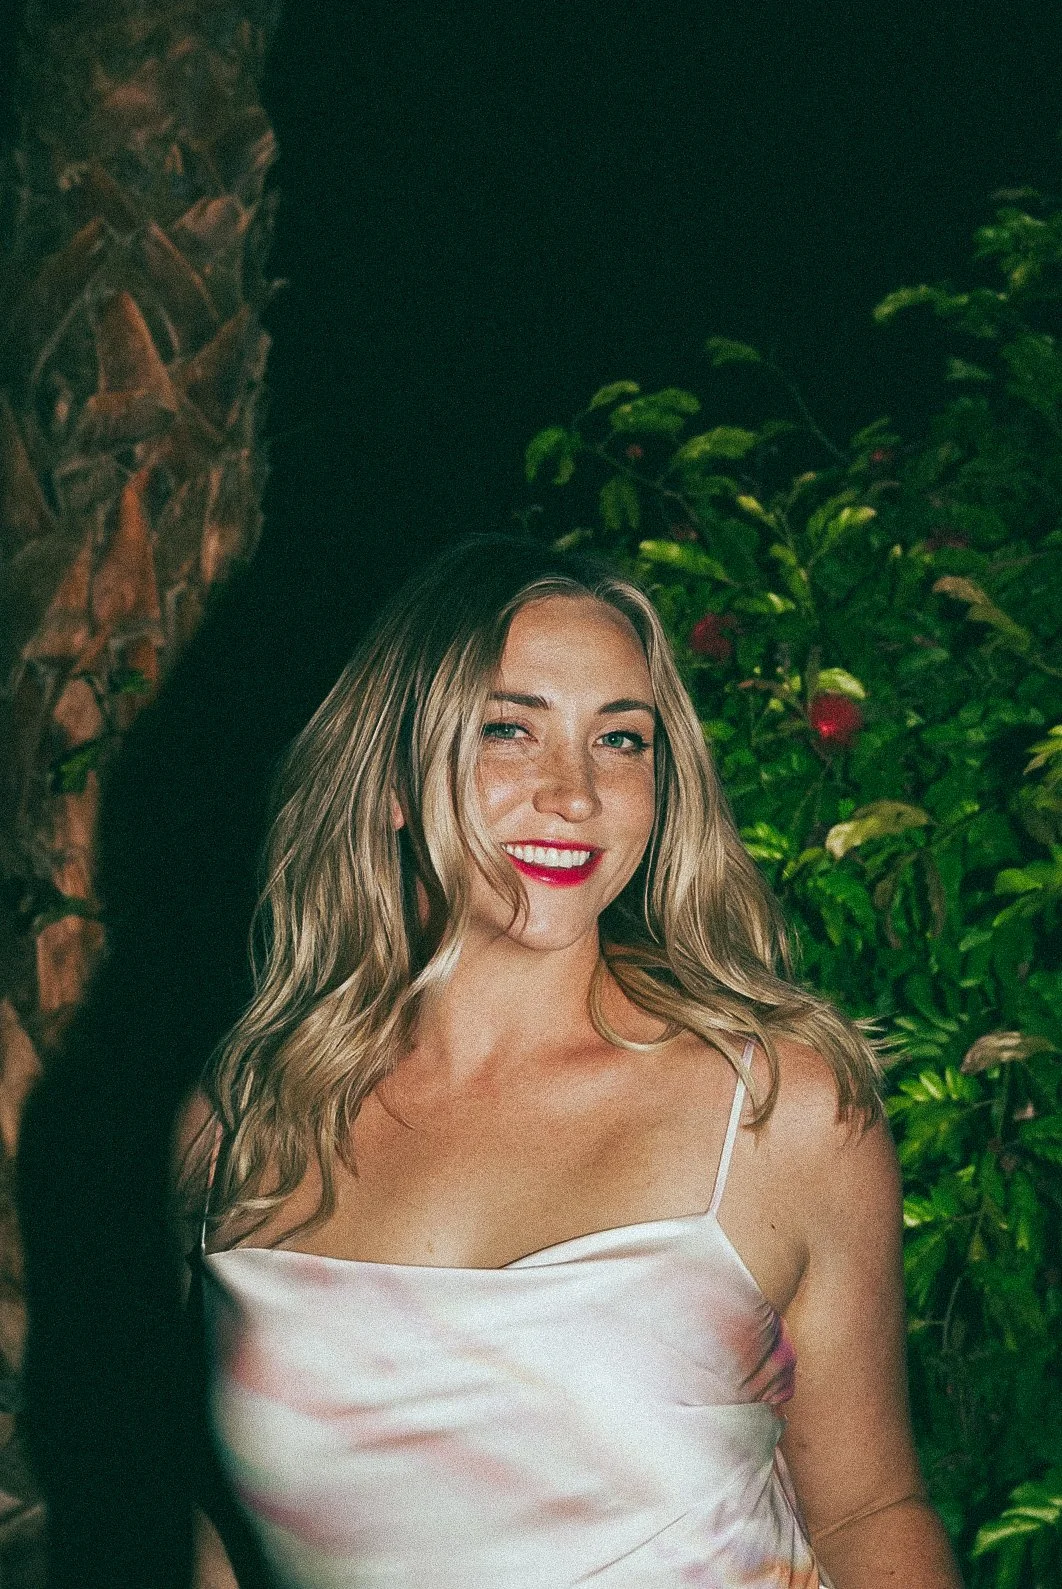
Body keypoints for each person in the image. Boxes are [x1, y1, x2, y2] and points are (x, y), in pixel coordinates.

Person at [176, 534, 964, 1588]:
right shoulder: (239, 1127)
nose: (577, 793)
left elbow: (872, 1511)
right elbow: (224, 1530)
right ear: (392, 778)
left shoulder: (776, 1109)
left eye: (621, 740)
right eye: (510, 728)